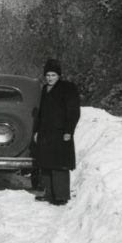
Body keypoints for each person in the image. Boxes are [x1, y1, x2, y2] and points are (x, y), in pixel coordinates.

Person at [33, 59, 81, 205]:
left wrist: (69, 131)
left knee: (60, 165)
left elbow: (74, 112)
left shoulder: (68, 88)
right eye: (47, 75)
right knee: (46, 163)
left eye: (53, 75)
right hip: (46, 134)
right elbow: (41, 114)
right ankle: (49, 194)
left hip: (61, 133)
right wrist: (36, 131)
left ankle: (61, 196)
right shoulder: (45, 89)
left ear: (59, 75)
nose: (50, 78)